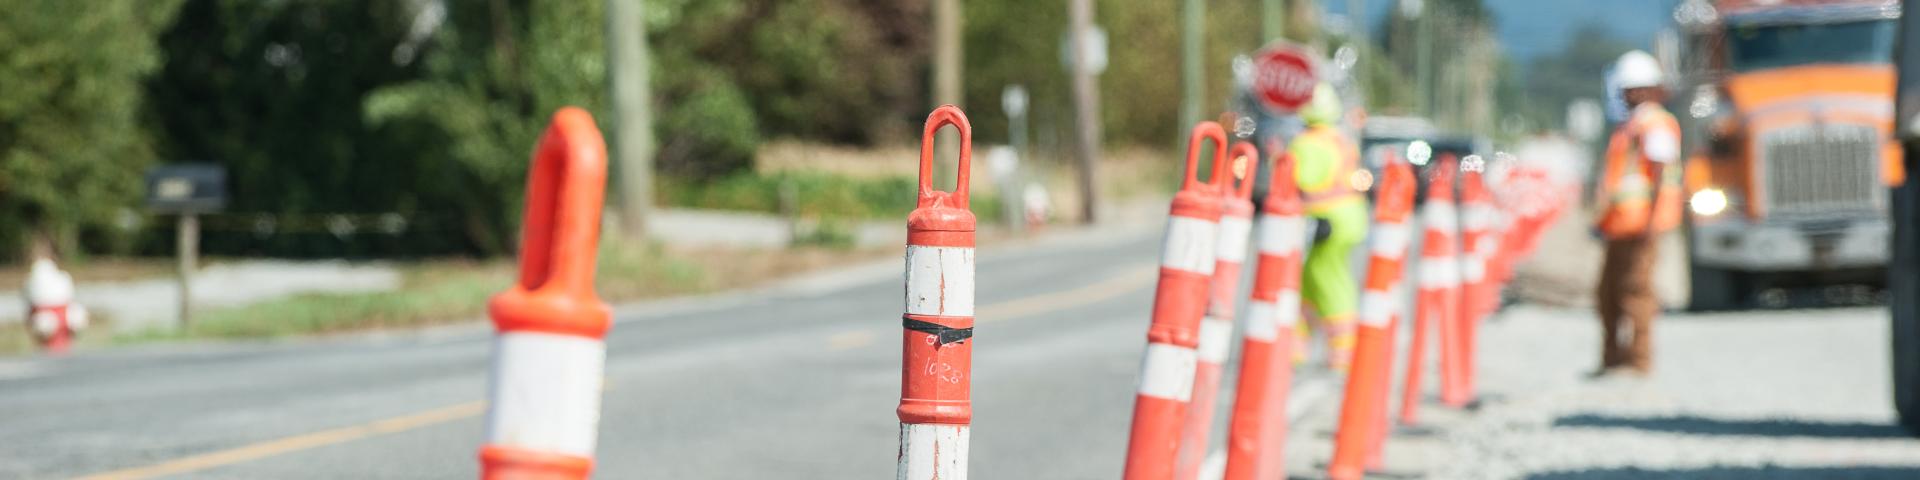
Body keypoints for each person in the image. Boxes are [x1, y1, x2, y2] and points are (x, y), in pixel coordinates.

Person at [1593, 50, 1683, 376]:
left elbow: (1658, 172)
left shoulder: (1654, 123)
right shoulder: (1632, 125)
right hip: (1622, 224)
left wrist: (1651, 220)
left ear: (1643, 89)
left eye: (1628, 89)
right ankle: (1613, 359)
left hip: (1641, 224)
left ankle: (1639, 360)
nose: (1624, 96)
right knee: (1609, 293)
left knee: (1637, 292)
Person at [1290, 83, 1368, 372]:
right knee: (1311, 279)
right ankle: (1297, 344)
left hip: (1324, 221)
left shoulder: (1305, 143)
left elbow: (1303, 182)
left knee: (1326, 279)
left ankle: (1343, 351)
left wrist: (1280, 162)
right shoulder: (1341, 139)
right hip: (1350, 218)